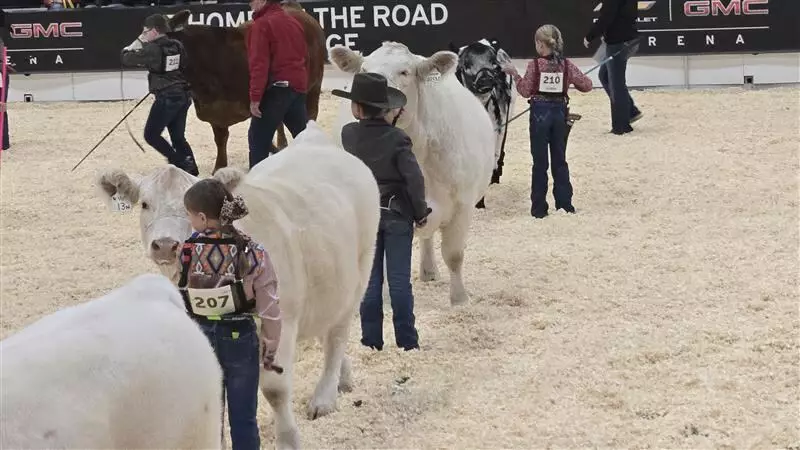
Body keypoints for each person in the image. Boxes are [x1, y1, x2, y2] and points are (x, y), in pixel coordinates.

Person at [179, 178, 282, 450]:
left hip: (200, 337)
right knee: (244, 418)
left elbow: (180, 292)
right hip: (240, 337)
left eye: (189, 216)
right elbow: (270, 306)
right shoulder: (252, 251)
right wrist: (270, 348)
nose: (189, 222)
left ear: (201, 217)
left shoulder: (187, 251)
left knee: (210, 419)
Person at [332, 72, 430, 352]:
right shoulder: (399, 138)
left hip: (363, 215)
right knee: (399, 281)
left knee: (369, 281)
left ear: (357, 108)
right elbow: (414, 178)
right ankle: (407, 342)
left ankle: (371, 341)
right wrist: (420, 211)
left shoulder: (348, 134)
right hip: (397, 213)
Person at [502, 25, 593, 218]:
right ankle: (565, 205)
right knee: (560, 160)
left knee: (540, 163)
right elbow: (587, 85)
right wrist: (568, 82)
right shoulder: (567, 65)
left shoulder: (534, 66)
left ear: (540, 44)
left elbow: (525, 90)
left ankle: (539, 209)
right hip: (560, 115)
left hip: (539, 116)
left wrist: (514, 74)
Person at [121, 14, 198, 176]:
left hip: (167, 97)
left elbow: (126, 58)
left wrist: (139, 41)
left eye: (145, 31)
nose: (144, 34)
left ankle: (180, 162)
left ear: (155, 31)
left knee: (151, 135)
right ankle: (192, 169)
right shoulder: (177, 45)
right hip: (183, 95)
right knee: (178, 137)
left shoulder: (152, 48)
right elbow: (184, 64)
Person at [247, 0, 308, 169]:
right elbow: (303, 54)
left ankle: (256, 185)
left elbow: (259, 64)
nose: (249, 4)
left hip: (277, 89)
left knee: (257, 140)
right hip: (298, 87)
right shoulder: (294, 22)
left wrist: (255, 97)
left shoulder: (261, 25)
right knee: (304, 138)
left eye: (251, 1)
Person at [584, 0, 643, 135]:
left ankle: (621, 126)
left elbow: (607, 17)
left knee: (616, 84)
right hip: (628, 38)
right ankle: (630, 111)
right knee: (605, 76)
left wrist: (590, 36)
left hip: (618, 41)